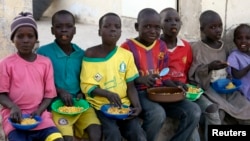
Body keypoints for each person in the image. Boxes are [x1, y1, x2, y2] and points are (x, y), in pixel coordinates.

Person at [120, 8, 201, 141]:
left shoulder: (161, 46)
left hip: (161, 92)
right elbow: (121, 79)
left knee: (194, 110)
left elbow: (163, 75)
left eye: (157, 27)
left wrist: (176, 86)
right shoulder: (127, 48)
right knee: (157, 114)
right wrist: (140, 79)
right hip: (139, 93)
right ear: (136, 27)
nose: (153, 31)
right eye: (147, 26)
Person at [80, 12, 147, 141]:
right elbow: (86, 86)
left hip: (123, 106)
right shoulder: (91, 54)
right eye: (107, 26)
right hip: (100, 106)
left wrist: (137, 106)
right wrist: (107, 94)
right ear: (99, 31)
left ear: (121, 31)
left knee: (137, 133)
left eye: (117, 26)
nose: (113, 29)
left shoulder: (126, 55)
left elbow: (130, 85)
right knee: (112, 133)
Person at [36, 10, 101, 141]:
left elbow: (85, 80)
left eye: (68, 26)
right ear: (52, 30)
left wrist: (82, 93)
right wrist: (59, 91)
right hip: (56, 105)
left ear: (74, 30)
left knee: (96, 132)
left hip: (79, 104)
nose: (64, 30)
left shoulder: (81, 54)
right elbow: (38, 81)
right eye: (59, 27)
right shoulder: (43, 53)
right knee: (67, 138)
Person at [0, 12, 63, 141]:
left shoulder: (45, 63)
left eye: (30, 36)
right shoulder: (6, 64)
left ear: (36, 39)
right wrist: (12, 107)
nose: (26, 40)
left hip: (40, 116)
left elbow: (49, 94)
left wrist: (40, 111)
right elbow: (1, 93)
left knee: (57, 139)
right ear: (13, 39)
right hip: (14, 116)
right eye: (20, 36)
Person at [188, 10, 250, 141]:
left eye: (220, 26)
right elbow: (193, 74)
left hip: (227, 87)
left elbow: (231, 70)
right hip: (209, 89)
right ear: (202, 29)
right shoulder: (198, 48)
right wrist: (210, 67)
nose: (218, 30)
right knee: (219, 112)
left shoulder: (225, 47)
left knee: (246, 107)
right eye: (212, 27)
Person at [159, 7, 201, 141]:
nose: (173, 23)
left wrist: (190, 84)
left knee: (199, 111)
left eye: (177, 20)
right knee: (193, 114)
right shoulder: (155, 46)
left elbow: (187, 69)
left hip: (183, 93)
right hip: (162, 93)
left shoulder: (186, 47)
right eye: (168, 20)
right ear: (160, 24)